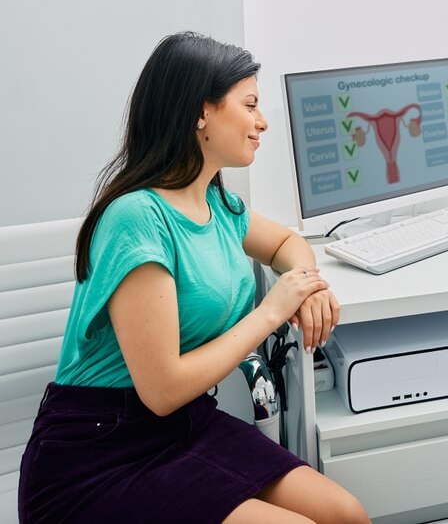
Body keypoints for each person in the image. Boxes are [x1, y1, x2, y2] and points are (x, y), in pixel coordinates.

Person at [18, 32, 370, 524]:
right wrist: (273, 310)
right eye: (249, 105)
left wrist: (307, 286)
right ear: (201, 113)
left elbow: (289, 244)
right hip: (98, 453)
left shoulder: (218, 206)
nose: (262, 121)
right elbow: (161, 390)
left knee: (345, 513)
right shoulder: (138, 218)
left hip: (183, 427)